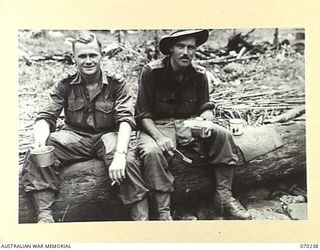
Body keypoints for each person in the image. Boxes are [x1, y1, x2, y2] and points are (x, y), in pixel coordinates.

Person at [21, 32, 148, 223]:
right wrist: (39, 141)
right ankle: (45, 216)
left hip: (107, 136)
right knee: (39, 153)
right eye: (82, 56)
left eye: (92, 55)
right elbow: (46, 116)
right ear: (74, 58)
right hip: (75, 137)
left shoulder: (117, 84)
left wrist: (120, 154)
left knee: (128, 161)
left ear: (101, 55)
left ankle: (142, 221)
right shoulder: (65, 83)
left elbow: (125, 120)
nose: (88, 61)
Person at [135, 29, 252, 220]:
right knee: (152, 152)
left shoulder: (199, 74)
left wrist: (206, 121)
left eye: (191, 47)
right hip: (156, 126)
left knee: (222, 135)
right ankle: (164, 212)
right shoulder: (151, 72)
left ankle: (224, 198)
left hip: (188, 125)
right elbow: (142, 114)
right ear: (171, 49)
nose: (186, 52)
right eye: (180, 46)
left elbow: (206, 107)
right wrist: (159, 137)